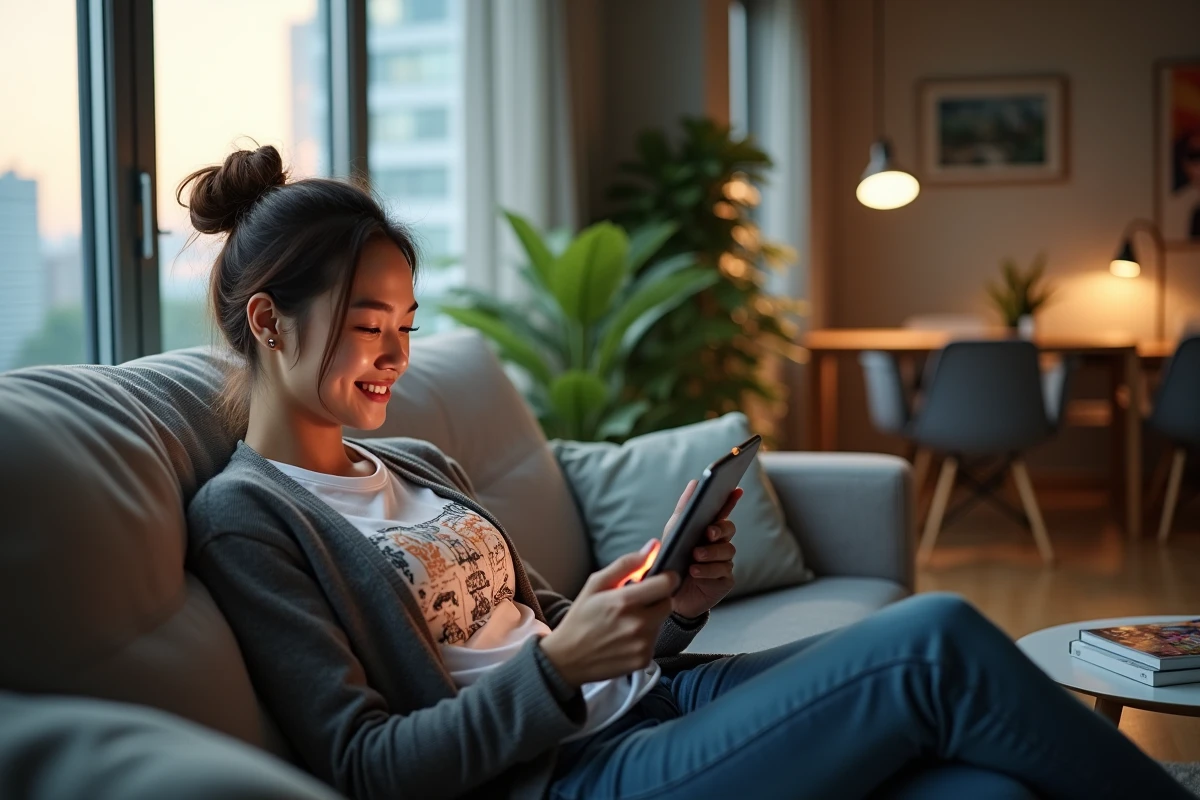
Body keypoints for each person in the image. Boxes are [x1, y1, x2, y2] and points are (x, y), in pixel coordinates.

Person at [185, 145, 1192, 800]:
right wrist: (561, 667)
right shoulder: (247, 516)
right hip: (572, 773)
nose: (398, 355)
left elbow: (538, 621)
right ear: (271, 323)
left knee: (985, 790)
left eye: (407, 326)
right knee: (934, 641)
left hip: (657, 698)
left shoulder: (411, 458)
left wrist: (667, 605)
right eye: (369, 327)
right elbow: (367, 765)